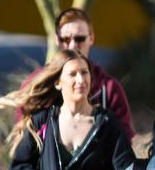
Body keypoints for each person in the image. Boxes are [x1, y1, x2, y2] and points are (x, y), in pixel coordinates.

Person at [18, 8, 135, 141]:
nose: (73, 45)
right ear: (57, 40)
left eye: (79, 39)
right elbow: (23, 142)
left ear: (91, 38)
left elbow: (124, 142)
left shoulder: (108, 89)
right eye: (66, 39)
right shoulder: (35, 84)